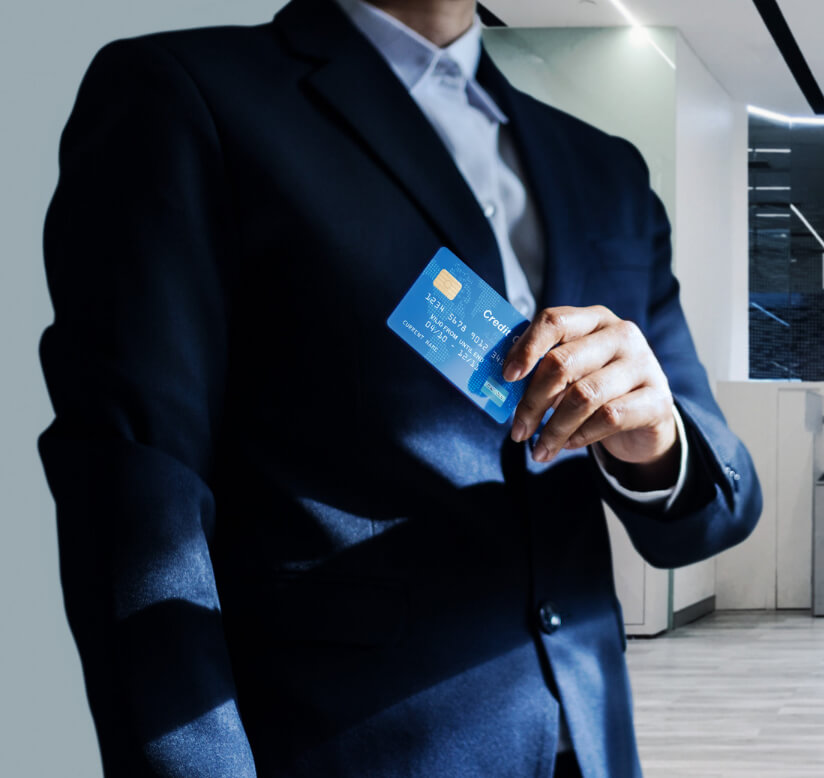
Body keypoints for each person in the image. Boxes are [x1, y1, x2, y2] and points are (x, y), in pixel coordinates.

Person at [37, 0, 761, 774]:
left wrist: (655, 443)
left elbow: (715, 513)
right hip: (348, 747)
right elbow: (135, 496)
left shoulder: (605, 168)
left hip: (588, 739)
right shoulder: (187, 95)